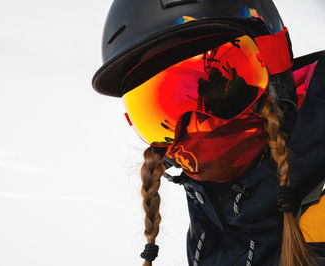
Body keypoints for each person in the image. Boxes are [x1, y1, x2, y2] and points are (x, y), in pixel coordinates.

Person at [92, 0, 325, 265]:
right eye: (160, 114)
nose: (196, 126)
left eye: (224, 94)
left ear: (274, 62)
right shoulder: (212, 218)